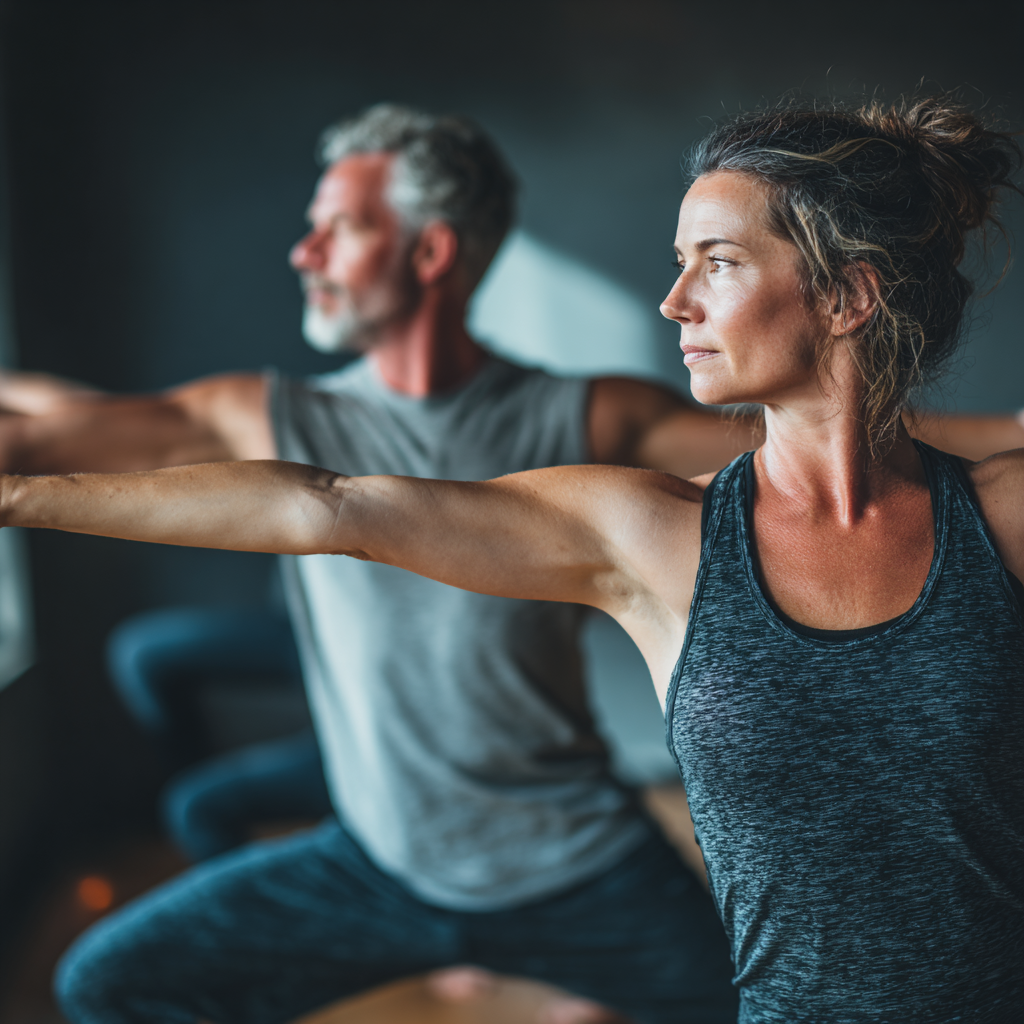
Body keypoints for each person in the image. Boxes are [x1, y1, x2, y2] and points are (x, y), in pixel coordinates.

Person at [7, 93, 1021, 1021]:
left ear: (847, 296)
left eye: (715, 261)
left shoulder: (1002, 517)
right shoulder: (651, 535)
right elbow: (326, 505)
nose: (674, 302)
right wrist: (16, 496)